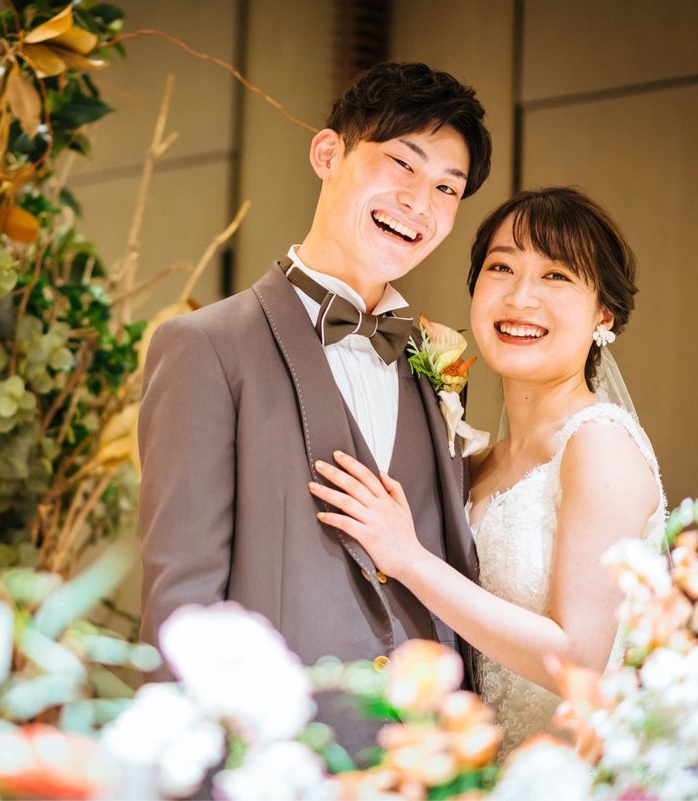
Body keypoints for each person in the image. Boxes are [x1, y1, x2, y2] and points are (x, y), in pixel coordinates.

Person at [138, 62, 492, 756]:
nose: (419, 202)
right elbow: (181, 606)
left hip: (426, 763)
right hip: (278, 762)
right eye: (402, 164)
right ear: (328, 154)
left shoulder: (439, 361)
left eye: (446, 188)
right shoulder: (205, 347)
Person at [309, 187, 665, 756]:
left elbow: (578, 658)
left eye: (556, 276)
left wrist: (407, 558)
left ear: (604, 312)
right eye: (501, 268)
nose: (521, 297)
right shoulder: (479, 461)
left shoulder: (599, 443)